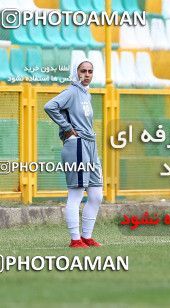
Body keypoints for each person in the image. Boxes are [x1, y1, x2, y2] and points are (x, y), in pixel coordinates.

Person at [44, 58, 104, 248]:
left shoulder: (87, 94)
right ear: (75, 72)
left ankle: (86, 237)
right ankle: (75, 239)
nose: (87, 75)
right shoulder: (71, 91)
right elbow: (49, 106)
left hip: (91, 145)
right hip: (76, 145)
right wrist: (67, 128)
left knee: (96, 195)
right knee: (76, 193)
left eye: (90, 71)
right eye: (83, 71)